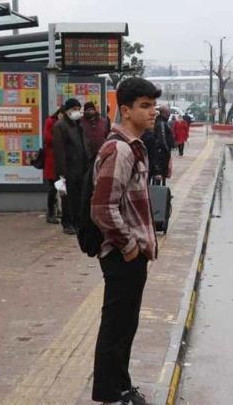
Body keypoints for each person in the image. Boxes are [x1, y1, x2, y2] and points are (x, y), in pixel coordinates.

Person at [89, 77, 160, 405]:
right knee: (116, 328)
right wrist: (130, 247)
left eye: (153, 105)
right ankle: (111, 393)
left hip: (130, 254)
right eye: (145, 106)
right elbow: (103, 207)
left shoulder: (132, 146)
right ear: (126, 110)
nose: (152, 112)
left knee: (124, 326)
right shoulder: (119, 149)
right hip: (122, 255)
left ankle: (120, 387)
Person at [53, 98, 88, 234]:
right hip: (67, 168)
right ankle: (67, 223)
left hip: (80, 167)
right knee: (67, 198)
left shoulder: (78, 124)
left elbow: (83, 145)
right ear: (67, 111)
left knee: (78, 197)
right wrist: (61, 173)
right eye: (74, 109)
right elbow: (59, 151)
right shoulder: (60, 126)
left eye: (79, 109)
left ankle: (77, 223)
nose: (77, 112)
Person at [142, 104, 175, 185]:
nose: (169, 114)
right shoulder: (162, 123)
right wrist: (167, 151)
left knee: (157, 175)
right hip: (161, 155)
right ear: (166, 113)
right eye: (168, 112)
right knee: (159, 175)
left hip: (158, 154)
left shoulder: (160, 122)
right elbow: (162, 140)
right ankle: (158, 189)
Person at [43, 106, 64, 224]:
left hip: (62, 159)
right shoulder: (50, 121)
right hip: (52, 159)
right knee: (53, 188)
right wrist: (61, 139)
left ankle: (59, 210)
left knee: (62, 187)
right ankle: (50, 213)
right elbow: (47, 138)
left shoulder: (68, 123)